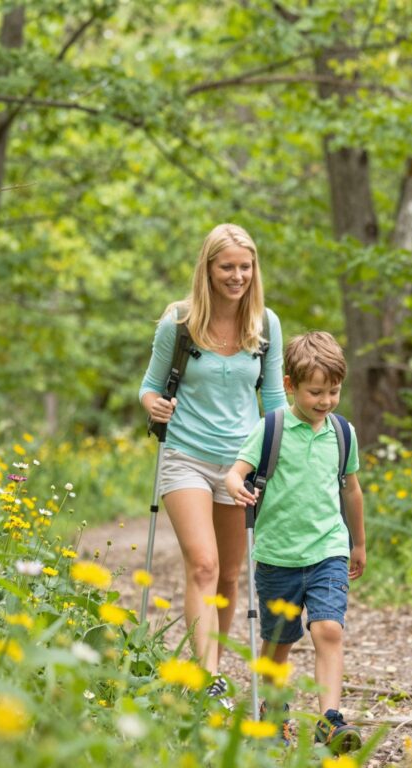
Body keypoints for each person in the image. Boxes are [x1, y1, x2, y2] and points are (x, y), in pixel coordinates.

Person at [139, 223, 286, 702]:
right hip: (185, 456)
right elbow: (150, 385)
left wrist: (281, 453)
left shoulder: (266, 325)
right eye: (227, 267)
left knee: (227, 574)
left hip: (239, 464)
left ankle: (214, 670)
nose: (237, 276)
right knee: (202, 564)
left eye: (245, 267)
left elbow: (274, 398)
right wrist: (153, 405)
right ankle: (205, 677)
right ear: (208, 268)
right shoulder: (178, 323)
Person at [226, 331, 366, 753]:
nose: (325, 401)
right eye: (315, 392)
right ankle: (274, 711)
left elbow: (352, 490)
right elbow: (236, 471)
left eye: (333, 391)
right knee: (278, 643)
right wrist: (235, 485)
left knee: (328, 629)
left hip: (328, 550)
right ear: (289, 385)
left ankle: (330, 717)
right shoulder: (272, 427)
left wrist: (357, 543)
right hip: (277, 555)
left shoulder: (342, 432)